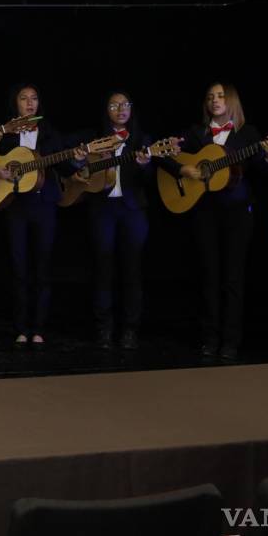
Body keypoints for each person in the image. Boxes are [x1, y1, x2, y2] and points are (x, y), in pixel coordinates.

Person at [160, 82, 268, 360]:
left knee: (233, 278)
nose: (215, 100)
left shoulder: (247, 134)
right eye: (210, 97)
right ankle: (209, 338)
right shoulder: (195, 133)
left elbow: (262, 170)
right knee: (209, 276)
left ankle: (230, 341)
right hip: (204, 212)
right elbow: (161, 153)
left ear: (232, 101)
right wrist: (182, 169)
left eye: (221, 96)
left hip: (237, 213)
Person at [0, 83, 81, 348]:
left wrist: (78, 159)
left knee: (43, 267)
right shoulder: (6, 133)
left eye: (34, 98)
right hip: (15, 204)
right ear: (15, 104)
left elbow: (65, 165)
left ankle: (38, 328)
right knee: (18, 268)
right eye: (24, 98)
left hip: (44, 204)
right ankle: (21, 328)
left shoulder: (50, 133)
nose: (29, 103)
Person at [83, 91, 153, 351]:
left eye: (125, 104)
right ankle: (103, 328)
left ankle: (130, 329)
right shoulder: (95, 139)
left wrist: (145, 165)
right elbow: (79, 166)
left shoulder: (142, 140)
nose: (121, 109)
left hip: (132, 210)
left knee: (132, 269)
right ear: (106, 110)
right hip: (103, 209)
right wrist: (80, 163)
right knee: (103, 269)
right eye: (114, 105)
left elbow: (150, 180)